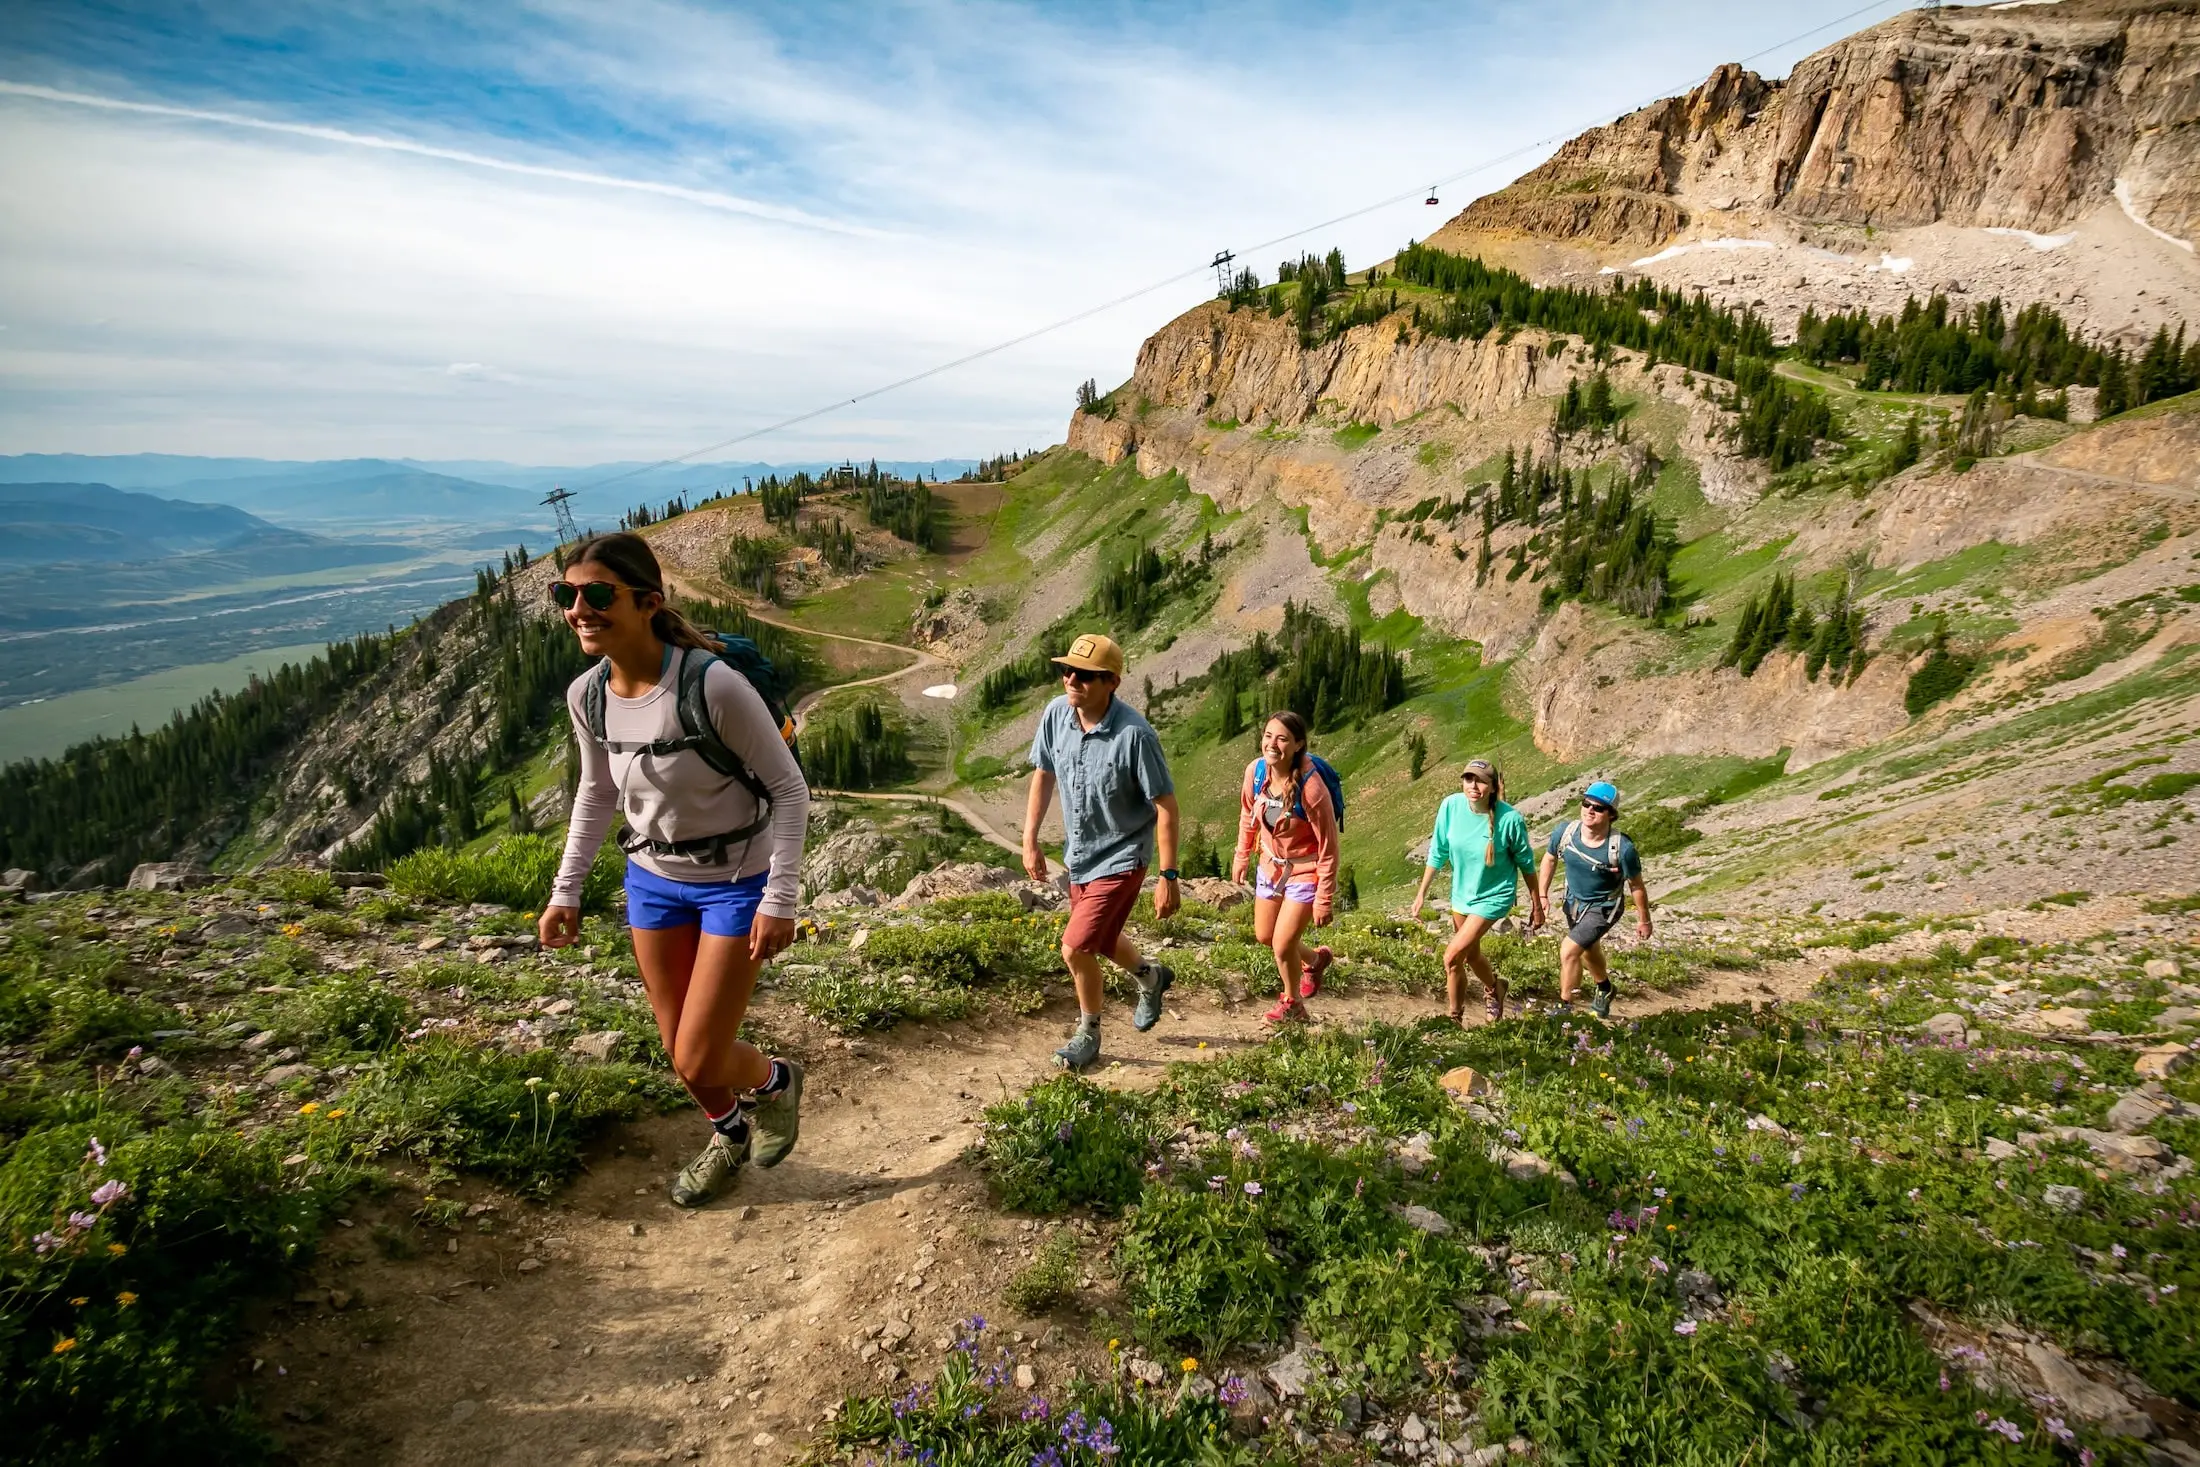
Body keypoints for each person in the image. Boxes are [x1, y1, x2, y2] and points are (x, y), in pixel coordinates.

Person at [538, 532, 810, 1208]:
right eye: (566, 595)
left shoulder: (711, 683)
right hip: (652, 881)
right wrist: (564, 889)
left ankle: (776, 1081)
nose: (579, 608)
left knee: (697, 1053)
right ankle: (730, 1133)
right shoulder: (587, 695)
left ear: (647, 601)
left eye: (597, 593)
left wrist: (780, 899)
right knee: (678, 1046)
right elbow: (598, 791)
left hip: (737, 882)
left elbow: (789, 788)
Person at [1021, 633, 1181, 1072]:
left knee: (1074, 948)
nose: (1072, 679)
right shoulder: (1056, 715)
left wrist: (1168, 878)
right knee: (1101, 939)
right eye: (1067, 670)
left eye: (1085, 675)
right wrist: (1030, 839)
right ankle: (1152, 976)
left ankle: (1088, 1033)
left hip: (1124, 855)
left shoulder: (1135, 735)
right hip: (1080, 856)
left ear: (1112, 681)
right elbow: (1044, 775)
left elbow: (1165, 807)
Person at [1410, 758, 1543, 1024]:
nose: (1473, 785)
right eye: (1469, 779)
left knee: (1452, 956)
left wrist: (1536, 903)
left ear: (1493, 787)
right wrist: (1422, 893)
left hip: (1495, 895)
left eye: (1481, 780)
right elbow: (1439, 850)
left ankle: (1454, 1018)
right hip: (1463, 893)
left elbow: (1526, 862)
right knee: (1470, 955)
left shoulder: (1510, 819)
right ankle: (1495, 987)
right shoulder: (1450, 806)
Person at [1231, 711, 1339, 1024]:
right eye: (1268, 736)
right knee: (1266, 936)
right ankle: (1316, 960)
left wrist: (1324, 898)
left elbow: (1329, 847)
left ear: (1297, 744)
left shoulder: (1312, 789)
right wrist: (1241, 855)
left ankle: (1293, 1004)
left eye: (1282, 738)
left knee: (1282, 944)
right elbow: (1246, 814)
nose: (1272, 744)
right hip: (1270, 867)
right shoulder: (1256, 772)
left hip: (1305, 872)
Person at [1535, 780, 1651, 1020]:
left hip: (1604, 906)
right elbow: (1549, 859)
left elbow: (1636, 885)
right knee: (1588, 948)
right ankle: (1605, 988)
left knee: (1569, 951)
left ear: (1611, 814)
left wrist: (1644, 920)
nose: (1590, 810)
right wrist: (1542, 894)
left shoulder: (1622, 848)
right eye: (1586, 804)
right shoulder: (1565, 832)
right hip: (1572, 902)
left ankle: (1564, 1008)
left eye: (1598, 808)